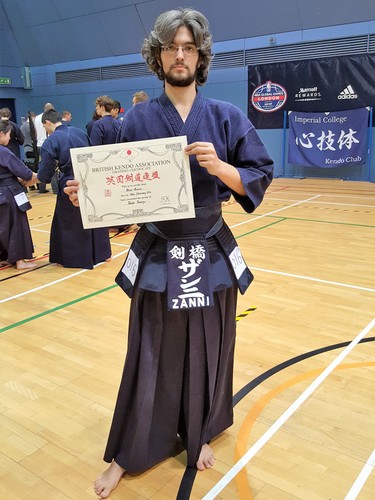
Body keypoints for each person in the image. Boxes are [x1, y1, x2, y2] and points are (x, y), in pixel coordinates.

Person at [65, 8, 273, 499]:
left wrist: (220, 167)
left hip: (210, 251)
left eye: (188, 47)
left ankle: (197, 430)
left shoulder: (226, 116)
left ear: (200, 56)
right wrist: (87, 195)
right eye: (170, 47)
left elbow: (258, 175)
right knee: (152, 349)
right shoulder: (135, 118)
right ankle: (132, 450)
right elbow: (117, 191)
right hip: (158, 252)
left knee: (209, 347)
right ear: (158, 56)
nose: (179, 55)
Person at [37, 109, 111, 269]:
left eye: (45, 127)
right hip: (90, 177)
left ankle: (77, 258)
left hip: (69, 182)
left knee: (70, 222)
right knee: (95, 215)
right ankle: (103, 254)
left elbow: (44, 175)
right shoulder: (79, 132)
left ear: (47, 123)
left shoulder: (51, 141)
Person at [0, 120, 38, 269]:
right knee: (16, 225)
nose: (9, 138)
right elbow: (24, 173)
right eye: (9, 135)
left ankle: (4, 257)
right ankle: (20, 261)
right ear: (1, 134)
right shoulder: (3, 151)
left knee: (2, 226)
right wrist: (37, 176)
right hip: (8, 192)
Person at [34, 102, 54, 193]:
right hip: (49, 143)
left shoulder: (37, 118)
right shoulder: (50, 118)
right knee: (53, 165)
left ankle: (41, 188)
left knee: (41, 166)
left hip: (39, 144)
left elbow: (34, 132)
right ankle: (55, 188)